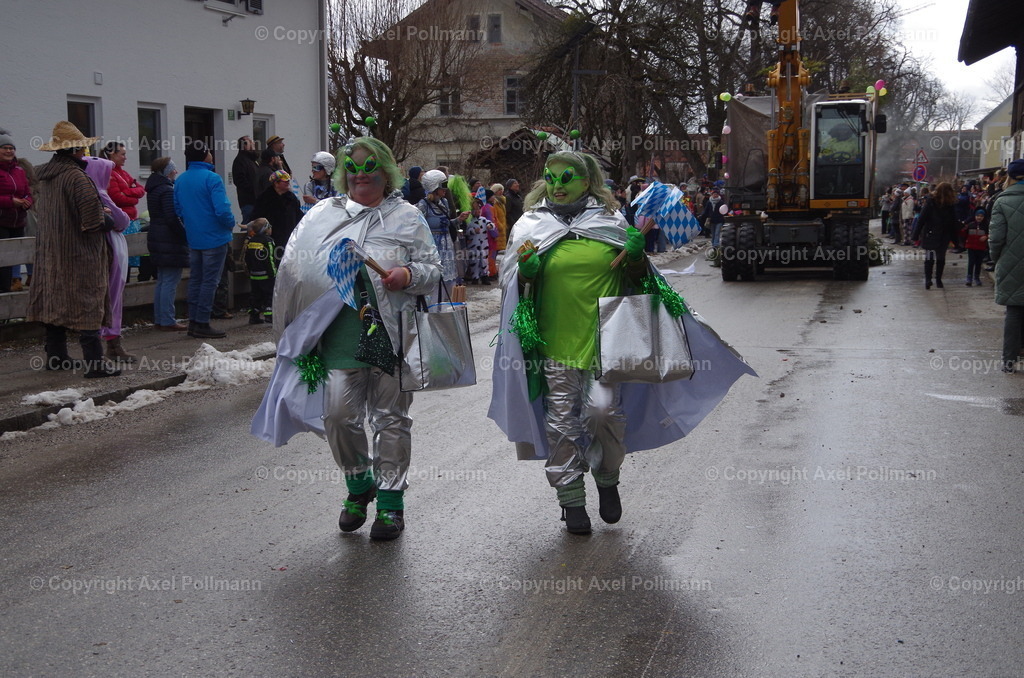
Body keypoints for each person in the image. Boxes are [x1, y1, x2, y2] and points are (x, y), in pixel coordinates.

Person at [489, 151, 754, 534]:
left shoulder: (609, 221)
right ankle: (571, 500)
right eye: (551, 177)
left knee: (603, 415)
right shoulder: (530, 224)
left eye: (567, 177)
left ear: (587, 181)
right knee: (560, 424)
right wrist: (525, 274)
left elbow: (639, 282)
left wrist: (634, 259)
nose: (558, 185)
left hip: (606, 341)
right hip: (552, 342)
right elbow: (509, 281)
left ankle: (607, 477)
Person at [251, 137, 442, 541]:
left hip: (392, 333)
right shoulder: (323, 214)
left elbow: (433, 269)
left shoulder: (407, 216)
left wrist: (407, 276)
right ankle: (359, 484)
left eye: (368, 166)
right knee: (338, 414)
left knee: (391, 419)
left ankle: (391, 504)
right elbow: (294, 270)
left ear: (385, 172)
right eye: (351, 168)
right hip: (338, 334)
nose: (360, 175)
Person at [27, 121, 120, 378]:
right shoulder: (78, 178)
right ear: (77, 151)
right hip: (79, 255)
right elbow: (93, 222)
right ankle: (96, 364)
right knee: (87, 303)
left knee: (54, 301)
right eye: (84, 149)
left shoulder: (44, 177)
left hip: (51, 252)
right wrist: (107, 216)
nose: (86, 154)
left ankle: (56, 357)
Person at [174, 140, 236, 339]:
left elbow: (178, 210)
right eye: (209, 151)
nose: (211, 153)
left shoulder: (181, 180)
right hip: (215, 236)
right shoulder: (212, 178)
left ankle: (194, 321)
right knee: (210, 281)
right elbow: (222, 209)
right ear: (204, 155)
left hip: (194, 236)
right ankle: (202, 322)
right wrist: (230, 224)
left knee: (196, 280)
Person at [84, 156, 134, 362]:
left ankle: (111, 344)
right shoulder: (100, 194)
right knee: (110, 297)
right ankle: (109, 344)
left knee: (110, 297)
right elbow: (122, 220)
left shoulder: (95, 193)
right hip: (108, 249)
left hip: (108, 249)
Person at [988, 159, 1024, 373]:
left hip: (1011, 261)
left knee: (1014, 309)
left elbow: (996, 238)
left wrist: (996, 257)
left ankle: (1009, 360)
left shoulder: (1002, 201)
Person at [146, 157, 189, 331]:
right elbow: (172, 218)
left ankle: (160, 318)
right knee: (170, 280)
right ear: (166, 171)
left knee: (163, 280)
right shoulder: (167, 190)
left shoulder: (154, 189)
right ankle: (168, 320)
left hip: (157, 236)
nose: (176, 172)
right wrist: (184, 234)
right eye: (173, 169)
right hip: (169, 239)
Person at [102, 142, 146, 282]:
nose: (125, 158)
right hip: (120, 224)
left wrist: (127, 192)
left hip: (131, 221)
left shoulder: (123, 173)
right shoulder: (108, 172)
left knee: (130, 259)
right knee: (121, 261)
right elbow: (116, 198)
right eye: (122, 154)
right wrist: (131, 195)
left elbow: (140, 189)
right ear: (112, 154)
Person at [416, 169, 464, 295]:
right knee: (434, 278)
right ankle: (433, 308)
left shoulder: (444, 203)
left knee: (448, 279)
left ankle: (445, 306)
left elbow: (447, 223)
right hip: (432, 246)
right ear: (434, 188)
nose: (445, 190)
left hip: (446, 245)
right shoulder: (423, 205)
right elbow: (416, 227)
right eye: (443, 187)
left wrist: (458, 220)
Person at [0, 130, 33, 293]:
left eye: (11, 148)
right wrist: (9, 202)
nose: (9, 151)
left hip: (18, 220)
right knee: (3, 262)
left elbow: (27, 191)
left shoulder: (19, 170)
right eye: (4, 148)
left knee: (17, 257)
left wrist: (27, 202)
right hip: (2, 221)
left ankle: (10, 292)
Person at [913, 182, 957, 290]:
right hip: (942, 234)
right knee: (940, 258)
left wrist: (915, 234)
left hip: (930, 233)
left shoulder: (931, 202)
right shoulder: (948, 203)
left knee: (930, 258)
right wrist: (956, 238)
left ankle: (929, 280)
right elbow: (953, 222)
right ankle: (938, 280)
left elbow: (921, 219)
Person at [252, 169, 304, 260]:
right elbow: (256, 217)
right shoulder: (264, 199)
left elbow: (298, 215)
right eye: (285, 181)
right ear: (276, 183)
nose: (288, 182)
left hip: (289, 239)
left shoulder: (291, 198)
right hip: (271, 240)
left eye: (288, 180)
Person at [240, 217, 275, 324]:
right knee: (269, 295)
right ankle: (269, 316)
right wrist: (273, 273)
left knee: (255, 296)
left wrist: (250, 271)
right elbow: (269, 258)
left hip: (254, 275)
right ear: (266, 229)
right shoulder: (268, 241)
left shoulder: (251, 241)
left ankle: (254, 316)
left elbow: (247, 258)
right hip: (266, 275)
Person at [231, 136, 260, 223]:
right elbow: (240, 181)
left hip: (255, 200)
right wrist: (254, 190)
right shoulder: (240, 161)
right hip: (248, 201)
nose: (253, 143)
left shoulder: (252, 160)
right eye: (250, 141)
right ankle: (243, 237)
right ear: (244, 146)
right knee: (248, 225)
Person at [463, 197, 491, 284]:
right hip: (474, 244)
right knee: (474, 260)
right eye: (475, 210)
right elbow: (466, 232)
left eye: (479, 210)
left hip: (483, 244)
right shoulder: (469, 221)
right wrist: (473, 231)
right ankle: (475, 276)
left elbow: (490, 223)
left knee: (484, 260)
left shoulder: (483, 219)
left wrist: (490, 226)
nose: (478, 212)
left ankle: (484, 276)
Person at [963, 208, 988, 287]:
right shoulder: (971, 225)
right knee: (971, 262)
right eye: (977, 216)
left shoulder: (985, 226)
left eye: (981, 216)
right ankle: (969, 277)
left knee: (978, 263)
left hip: (981, 247)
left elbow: (990, 233)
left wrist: (986, 236)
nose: (979, 217)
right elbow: (964, 234)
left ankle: (976, 277)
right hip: (971, 246)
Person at [490, 182, 508, 250]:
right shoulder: (494, 202)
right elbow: (494, 216)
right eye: (499, 190)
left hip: (503, 227)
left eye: (501, 190)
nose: (501, 191)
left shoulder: (502, 202)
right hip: (498, 227)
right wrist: (500, 226)